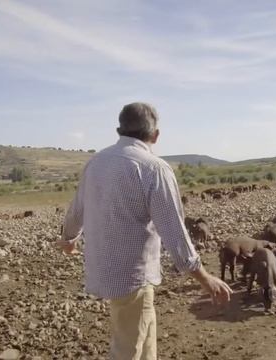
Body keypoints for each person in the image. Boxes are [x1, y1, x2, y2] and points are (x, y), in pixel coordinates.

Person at [57, 102, 232, 360]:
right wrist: (205, 278)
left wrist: (68, 239)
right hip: (132, 277)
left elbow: (76, 210)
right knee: (126, 350)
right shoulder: (154, 168)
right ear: (155, 135)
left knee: (145, 336)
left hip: (104, 270)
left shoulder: (95, 162)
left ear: (119, 130)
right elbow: (174, 231)